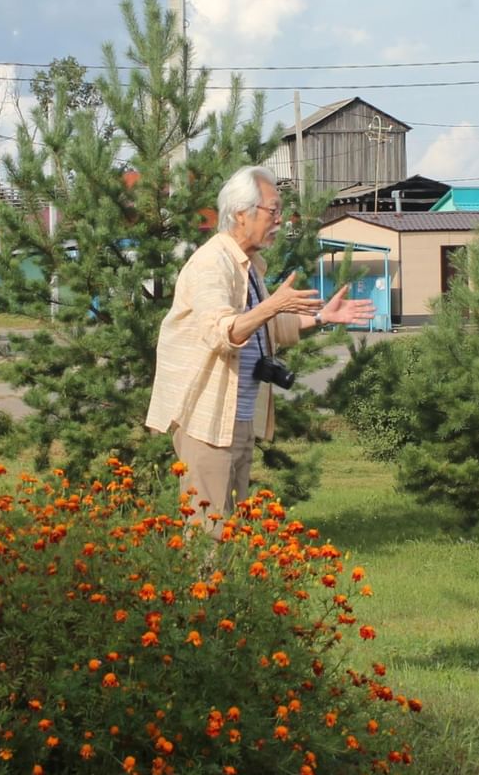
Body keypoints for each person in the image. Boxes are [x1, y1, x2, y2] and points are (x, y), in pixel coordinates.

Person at [145, 164, 373, 524]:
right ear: (241, 213)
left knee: (231, 529)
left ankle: (229, 583)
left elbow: (269, 328)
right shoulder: (211, 263)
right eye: (274, 210)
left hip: (237, 418)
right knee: (209, 531)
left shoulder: (248, 266)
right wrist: (273, 304)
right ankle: (205, 584)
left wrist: (320, 317)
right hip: (207, 421)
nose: (280, 220)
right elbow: (223, 334)